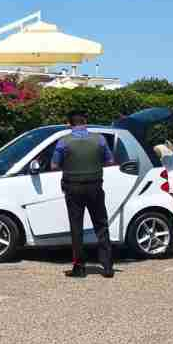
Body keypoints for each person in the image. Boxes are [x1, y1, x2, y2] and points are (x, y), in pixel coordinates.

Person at [51, 111, 115, 278]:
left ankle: (79, 267)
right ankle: (107, 266)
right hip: (95, 186)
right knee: (101, 224)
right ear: (85, 122)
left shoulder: (63, 142)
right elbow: (109, 161)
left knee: (76, 227)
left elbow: (54, 165)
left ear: (68, 124)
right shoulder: (100, 139)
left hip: (73, 187)